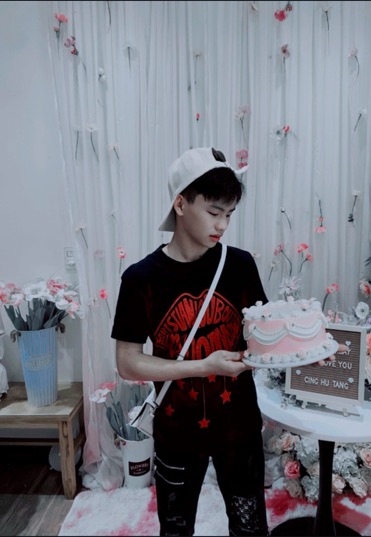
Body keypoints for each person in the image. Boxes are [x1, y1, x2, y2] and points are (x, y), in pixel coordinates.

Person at [111, 147, 341, 536]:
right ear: (180, 204)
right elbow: (127, 362)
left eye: (230, 214)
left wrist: (307, 352)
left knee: (250, 529)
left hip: (239, 427)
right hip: (176, 430)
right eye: (214, 212)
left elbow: (263, 338)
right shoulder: (141, 279)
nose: (222, 225)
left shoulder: (239, 265)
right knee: (176, 530)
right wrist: (204, 366)